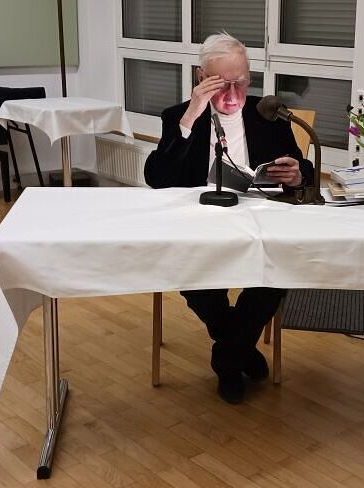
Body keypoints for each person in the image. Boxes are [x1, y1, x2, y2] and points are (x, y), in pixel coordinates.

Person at [145, 32, 314, 404]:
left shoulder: (267, 115)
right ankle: (239, 350)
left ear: (250, 78)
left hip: (260, 222)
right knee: (192, 273)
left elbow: (304, 171)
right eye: (221, 84)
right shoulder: (178, 116)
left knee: (277, 270)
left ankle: (227, 355)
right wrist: (191, 116)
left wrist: (296, 174)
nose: (233, 94)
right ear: (201, 78)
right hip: (198, 223)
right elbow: (157, 179)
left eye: (240, 83)